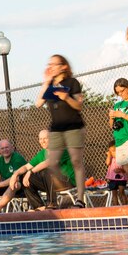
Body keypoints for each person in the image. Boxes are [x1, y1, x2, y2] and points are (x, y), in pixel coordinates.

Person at [35, 54, 87, 207]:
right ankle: (66, 189)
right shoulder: (50, 85)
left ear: (63, 66)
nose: (51, 67)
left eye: (54, 64)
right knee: (52, 163)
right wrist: (46, 82)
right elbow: (38, 103)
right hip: (56, 129)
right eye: (49, 64)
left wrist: (67, 98)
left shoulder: (72, 83)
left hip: (73, 126)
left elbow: (79, 106)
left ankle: (80, 199)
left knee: (76, 161)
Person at [22, 129, 76, 210]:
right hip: (52, 183)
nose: (42, 141)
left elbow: (48, 162)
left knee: (47, 171)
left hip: (68, 181)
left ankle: (52, 204)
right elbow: (26, 166)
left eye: (45, 138)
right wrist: (15, 175)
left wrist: (30, 171)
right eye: (40, 139)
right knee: (25, 178)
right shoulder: (42, 153)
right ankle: (39, 207)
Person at [0, 139, 29, 213]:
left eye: (7, 147)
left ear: (12, 148)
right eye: (2, 148)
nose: (5, 150)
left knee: (14, 185)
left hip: (23, 185)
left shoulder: (17, 158)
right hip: (7, 185)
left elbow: (16, 178)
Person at [104, 141, 128, 206]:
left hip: (121, 178)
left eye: (114, 151)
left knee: (121, 192)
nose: (113, 153)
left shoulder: (122, 158)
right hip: (112, 178)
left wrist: (121, 170)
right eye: (111, 151)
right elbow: (107, 163)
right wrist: (109, 155)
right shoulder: (111, 158)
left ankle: (125, 206)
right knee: (114, 194)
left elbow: (126, 170)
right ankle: (116, 206)